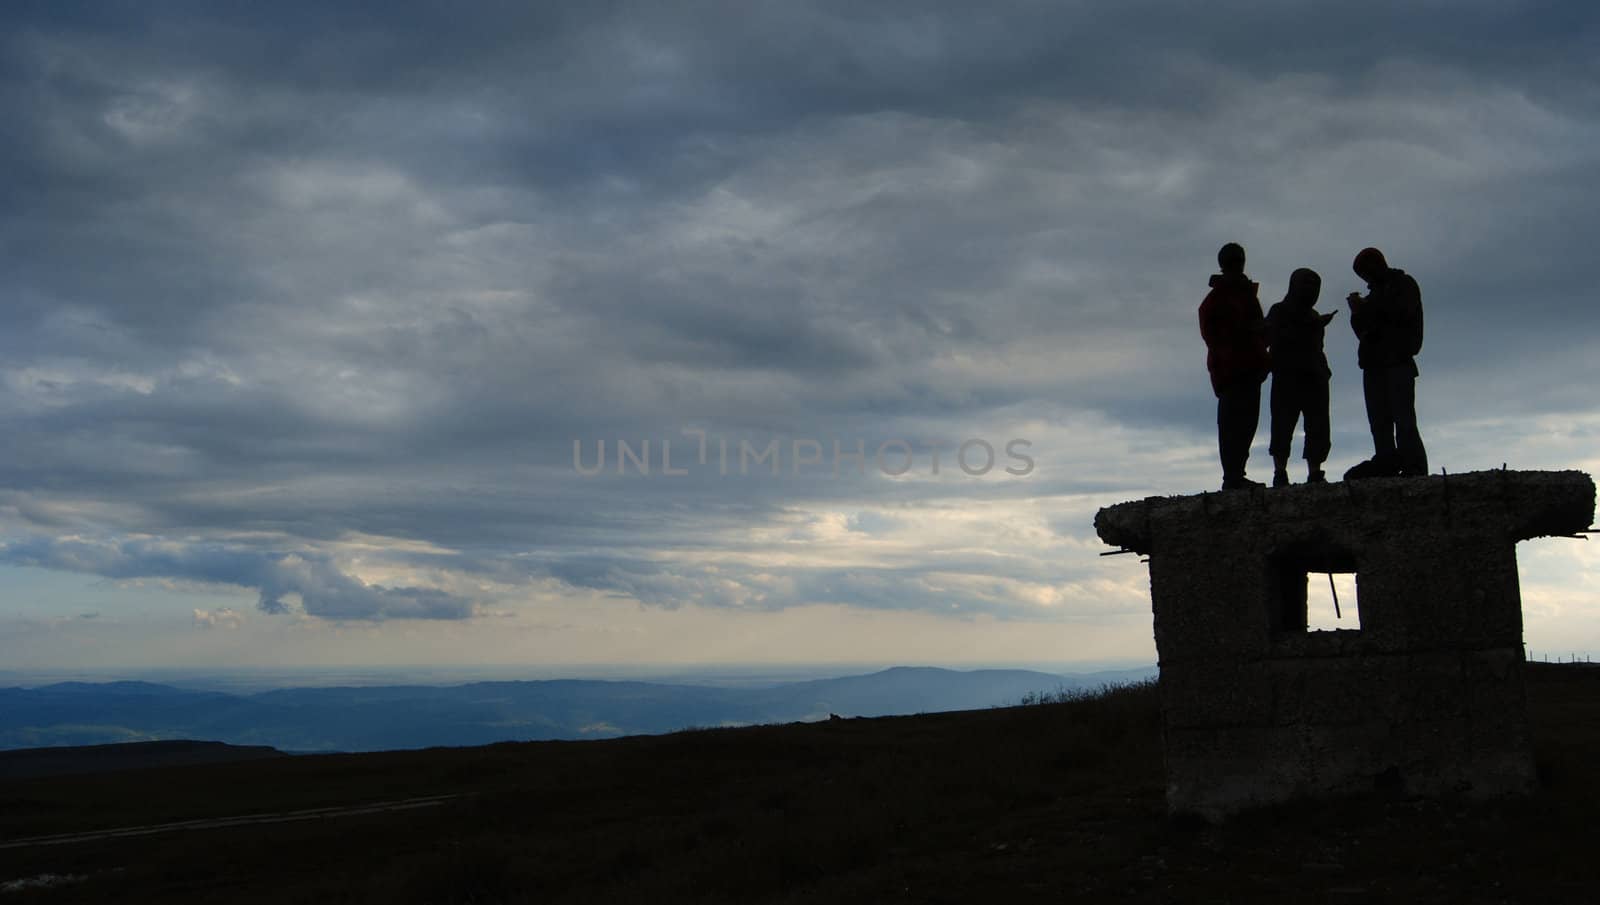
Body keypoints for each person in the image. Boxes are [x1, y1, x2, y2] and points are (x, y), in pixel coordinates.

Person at [1344, 247, 1428, 479]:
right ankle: (1387, 465)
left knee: (1404, 422)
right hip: (1374, 366)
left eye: (1366, 270)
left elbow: (1400, 312)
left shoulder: (1404, 285)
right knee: (1379, 423)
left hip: (1398, 362)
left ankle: (1415, 469)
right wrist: (1357, 312)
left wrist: (1366, 308)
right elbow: (1364, 332)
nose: (1365, 277)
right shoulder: (1374, 297)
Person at [1199, 242, 1270, 490]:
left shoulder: (1245, 295)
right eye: (1233, 260)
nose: (1237, 264)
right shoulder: (1217, 299)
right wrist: (1249, 333)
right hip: (1231, 370)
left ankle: (1236, 474)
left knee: (1247, 424)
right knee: (1233, 426)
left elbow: (1259, 329)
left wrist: (1263, 337)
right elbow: (1214, 335)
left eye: (1239, 260)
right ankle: (1232, 476)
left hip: (1250, 368)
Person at [1265, 268, 1335, 486]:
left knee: (1318, 426)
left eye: (1314, 286)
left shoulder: (1313, 316)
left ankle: (1315, 470)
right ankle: (1280, 471)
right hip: (1287, 376)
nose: (1311, 290)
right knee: (1282, 426)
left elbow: (1317, 346)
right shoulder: (1279, 311)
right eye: (1306, 285)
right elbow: (1272, 337)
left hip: (1314, 376)